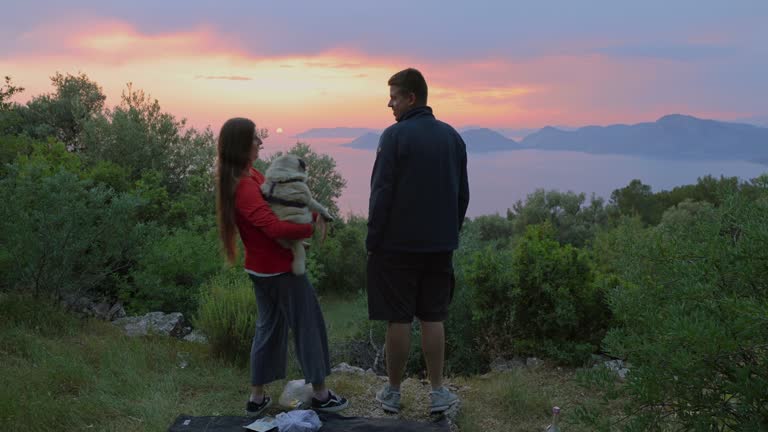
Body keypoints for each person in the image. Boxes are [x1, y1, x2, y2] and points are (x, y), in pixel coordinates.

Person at [215, 117, 349, 417]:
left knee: (269, 329)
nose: (260, 142)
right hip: (280, 270)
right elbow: (274, 227)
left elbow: (275, 208)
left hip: (261, 269)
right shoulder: (245, 186)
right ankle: (321, 395)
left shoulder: (248, 176)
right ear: (241, 145)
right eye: (254, 139)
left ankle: (257, 397)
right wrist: (310, 224)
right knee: (308, 326)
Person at [366, 68, 470, 414]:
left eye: (394, 97)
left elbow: (381, 193)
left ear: (412, 98)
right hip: (440, 245)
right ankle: (439, 394)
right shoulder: (453, 137)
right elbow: (462, 196)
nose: (389, 104)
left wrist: (374, 240)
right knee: (432, 317)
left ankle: (393, 394)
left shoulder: (394, 136)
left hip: (397, 247)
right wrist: (448, 232)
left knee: (399, 319)